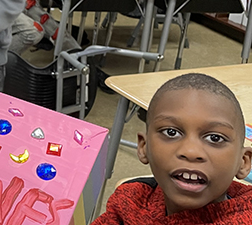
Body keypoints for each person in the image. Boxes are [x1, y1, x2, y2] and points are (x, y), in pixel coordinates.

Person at [93, 73, 252, 224]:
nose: (191, 152)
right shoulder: (130, 201)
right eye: (171, 132)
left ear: (243, 162)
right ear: (144, 147)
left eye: (215, 138)